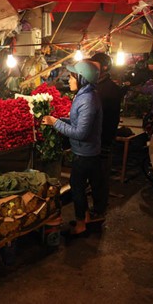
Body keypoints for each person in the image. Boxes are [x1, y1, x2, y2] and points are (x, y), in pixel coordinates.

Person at [42, 59, 103, 236]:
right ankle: (84, 218)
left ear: (82, 79)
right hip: (86, 151)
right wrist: (61, 120)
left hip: (85, 154)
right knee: (80, 188)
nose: (68, 80)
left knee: (77, 188)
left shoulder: (88, 100)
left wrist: (55, 123)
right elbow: (78, 124)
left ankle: (81, 225)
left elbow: (80, 133)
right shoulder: (85, 95)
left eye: (71, 77)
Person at [91, 52, 125, 207]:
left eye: (95, 64)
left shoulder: (109, 89)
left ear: (104, 67)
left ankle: (99, 211)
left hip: (103, 139)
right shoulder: (97, 86)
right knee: (96, 176)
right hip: (98, 139)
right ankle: (97, 207)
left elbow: (104, 116)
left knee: (101, 177)